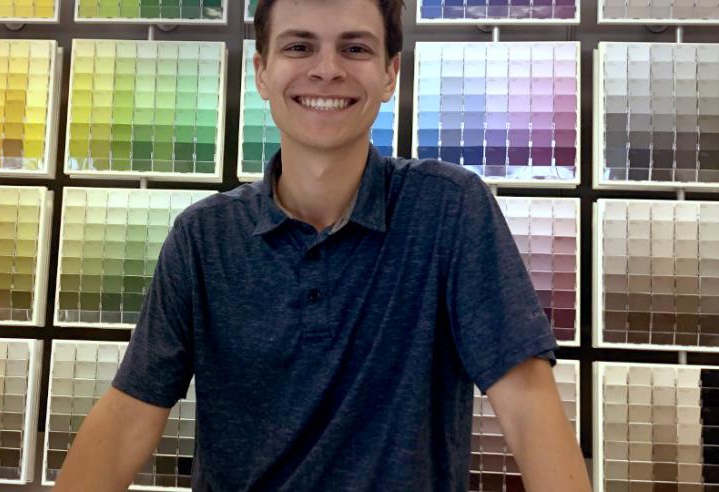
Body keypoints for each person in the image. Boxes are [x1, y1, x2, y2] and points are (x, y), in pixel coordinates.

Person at [54, 0, 592, 489]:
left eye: (354, 48)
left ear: (390, 74)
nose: (327, 69)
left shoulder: (449, 210)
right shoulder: (202, 238)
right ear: (261, 72)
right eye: (299, 46)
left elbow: (526, 403)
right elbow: (129, 417)